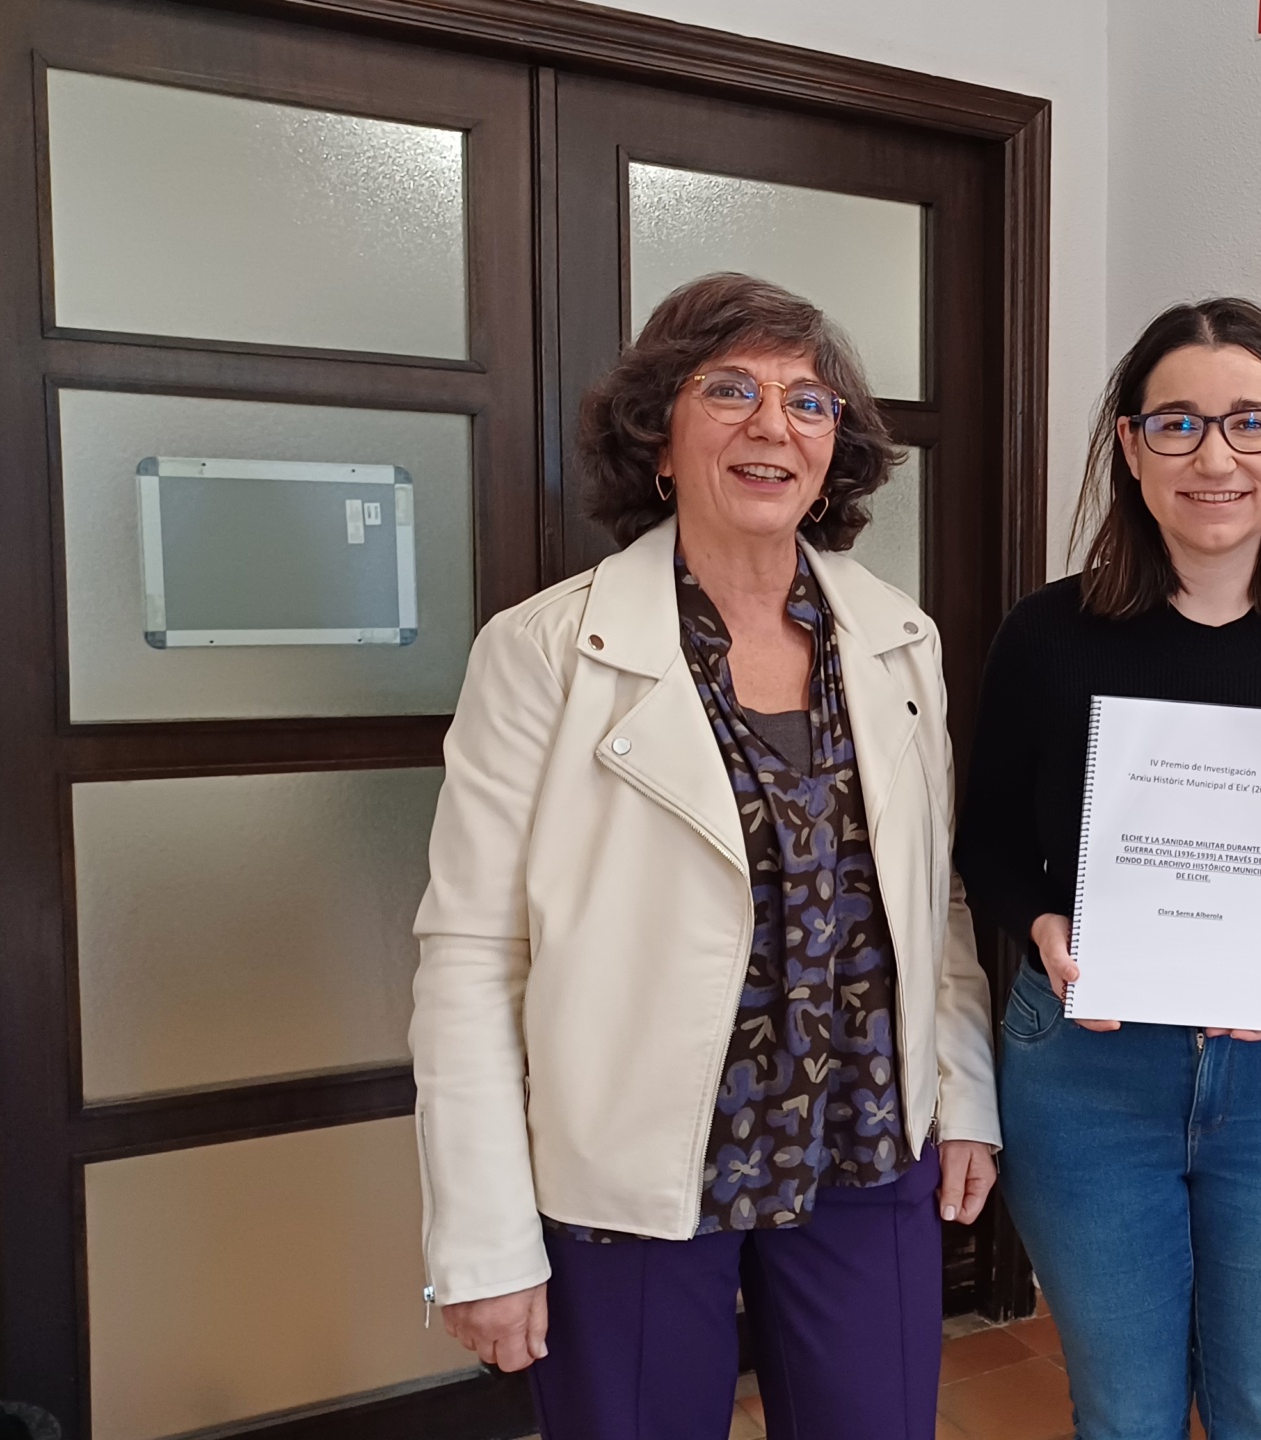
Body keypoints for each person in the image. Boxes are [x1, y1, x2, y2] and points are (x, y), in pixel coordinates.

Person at [408, 272, 1000, 1439]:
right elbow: (472, 952)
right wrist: (481, 1233)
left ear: (838, 448)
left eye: (809, 401)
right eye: (729, 390)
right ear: (658, 439)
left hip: (865, 1146)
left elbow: (931, 904)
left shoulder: (898, 639)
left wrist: (962, 1094)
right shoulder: (544, 652)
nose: (773, 425)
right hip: (631, 1174)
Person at [955, 298, 1261, 1440]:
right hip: (1085, 1071)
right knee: (1125, 1416)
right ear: (1129, 446)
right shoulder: (1046, 636)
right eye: (1178, 424)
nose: (1215, 456)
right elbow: (989, 842)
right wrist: (1043, 928)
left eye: (1250, 423)